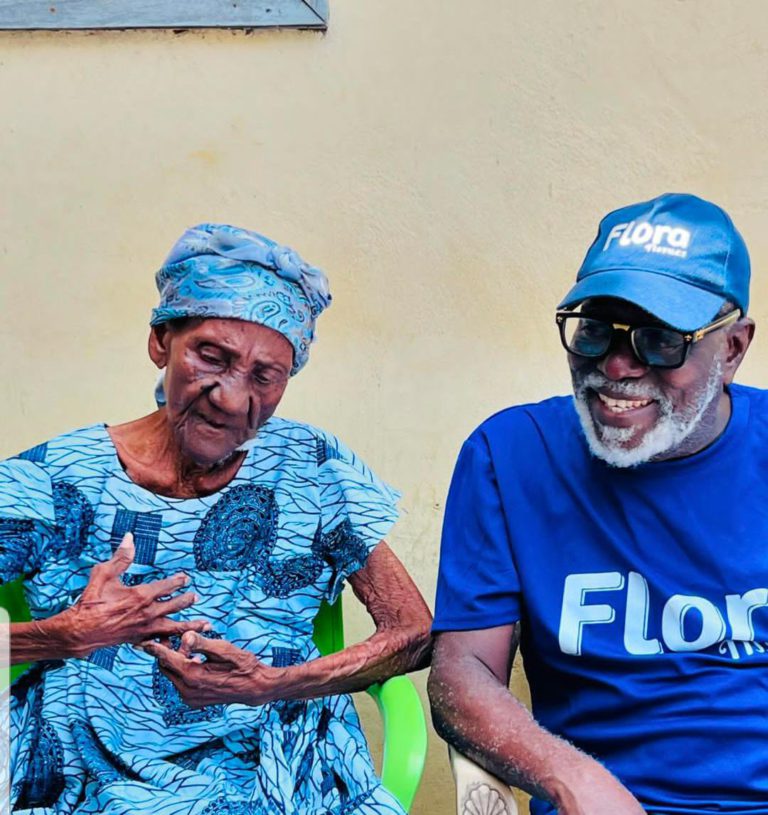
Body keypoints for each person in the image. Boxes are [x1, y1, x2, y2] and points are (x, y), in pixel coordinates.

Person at [2, 224, 432, 815]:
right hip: (86, 781)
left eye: (265, 375)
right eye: (212, 356)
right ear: (160, 342)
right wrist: (61, 636)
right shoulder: (55, 479)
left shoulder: (311, 467)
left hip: (277, 777)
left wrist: (274, 684)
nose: (231, 398)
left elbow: (414, 633)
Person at [428, 193, 764, 815]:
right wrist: (569, 778)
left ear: (734, 349)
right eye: (595, 331)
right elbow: (463, 672)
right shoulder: (510, 454)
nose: (616, 365)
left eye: (661, 340)